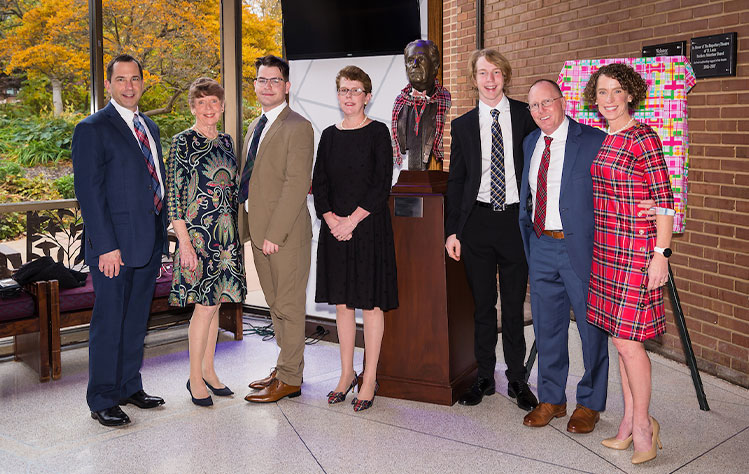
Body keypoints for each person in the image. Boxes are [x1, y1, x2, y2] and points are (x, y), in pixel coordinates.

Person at [583, 63, 674, 465]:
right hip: (607, 249)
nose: (608, 99)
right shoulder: (606, 139)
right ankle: (627, 422)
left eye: (616, 91)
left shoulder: (643, 137)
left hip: (637, 250)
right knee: (621, 342)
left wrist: (661, 255)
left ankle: (643, 428)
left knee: (627, 342)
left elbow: (666, 202)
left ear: (631, 94)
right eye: (601, 92)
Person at [72, 54, 166, 427]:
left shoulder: (150, 127)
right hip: (113, 247)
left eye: (135, 79)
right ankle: (102, 397)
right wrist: (106, 245)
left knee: (135, 320)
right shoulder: (92, 128)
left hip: (148, 241)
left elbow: (152, 183)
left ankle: (129, 385)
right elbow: (89, 194)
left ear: (143, 82)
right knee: (110, 322)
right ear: (109, 84)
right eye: (121, 79)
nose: (129, 86)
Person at [445, 49, 538, 410]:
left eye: (496, 72)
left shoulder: (525, 117)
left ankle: (517, 379)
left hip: (515, 222)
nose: (490, 79)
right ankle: (484, 376)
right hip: (478, 225)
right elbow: (456, 181)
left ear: (505, 77)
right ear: (474, 79)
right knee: (482, 306)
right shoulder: (463, 125)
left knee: (513, 306)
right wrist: (452, 232)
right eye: (483, 73)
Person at [518, 79, 609, 432]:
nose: (541, 111)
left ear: (562, 101)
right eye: (534, 106)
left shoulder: (592, 140)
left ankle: (590, 402)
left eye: (547, 102)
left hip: (581, 248)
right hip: (541, 244)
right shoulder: (530, 142)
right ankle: (552, 398)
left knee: (591, 328)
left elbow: (609, 194)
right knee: (547, 326)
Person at [312, 66, 398, 412]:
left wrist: (352, 221)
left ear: (368, 96)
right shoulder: (329, 136)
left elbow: (381, 184)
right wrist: (333, 219)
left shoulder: (379, 132)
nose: (349, 96)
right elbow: (319, 185)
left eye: (356, 90)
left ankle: (370, 377)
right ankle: (346, 374)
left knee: (370, 304)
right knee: (343, 305)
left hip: (369, 228)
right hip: (336, 231)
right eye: (343, 90)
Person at [166, 77, 247, 407]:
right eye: (201, 102)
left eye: (214, 101)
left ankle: (209, 371)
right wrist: (184, 243)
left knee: (215, 308)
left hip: (226, 237)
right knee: (204, 309)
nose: (208, 108)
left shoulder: (227, 142)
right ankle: (194, 378)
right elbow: (173, 198)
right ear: (192, 107)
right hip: (197, 239)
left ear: (223, 105)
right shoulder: (182, 142)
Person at [239, 55, 314, 403]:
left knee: (289, 305)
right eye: (260, 80)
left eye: (273, 81)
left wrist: (275, 234)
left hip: (284, 236)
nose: (266, 86)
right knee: (274, 305)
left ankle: (291, 379)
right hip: (259, 232)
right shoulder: (255, 126)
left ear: (286, 86)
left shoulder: (298, 126)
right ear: (254, 85)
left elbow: (296, 185)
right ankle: (286, 366)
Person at [392, 39, 451, 171]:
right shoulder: (399, 103)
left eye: (421, 59)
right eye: (410, 60)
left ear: (435, 65)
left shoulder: (447, 101)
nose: (414, 64)